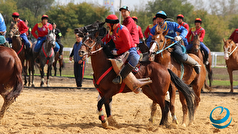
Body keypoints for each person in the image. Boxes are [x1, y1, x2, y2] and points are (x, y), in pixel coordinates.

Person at [102, 14, 140, 89]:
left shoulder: (123, 30)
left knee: (135, 58)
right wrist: (100, 43)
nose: (107, 26)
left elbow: (128, 46)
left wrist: (118, 52)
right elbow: (107, 38)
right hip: (118, 50)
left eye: (108, 24)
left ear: (112, 24)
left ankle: (121, 77)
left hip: (129, 50)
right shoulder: (112, 30)